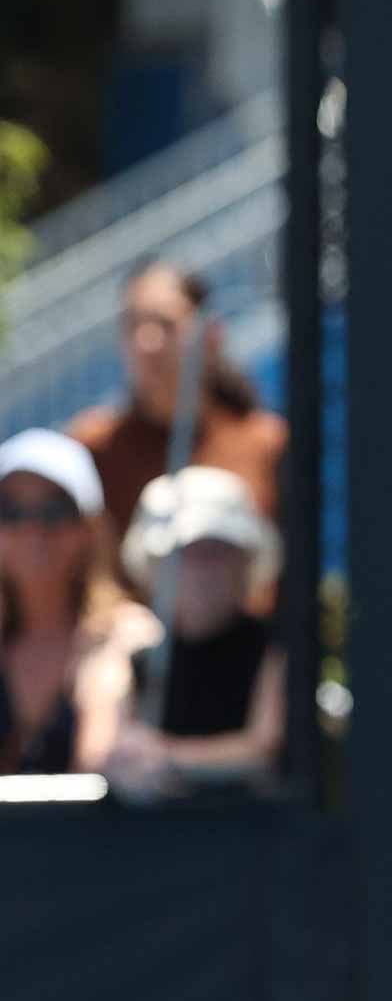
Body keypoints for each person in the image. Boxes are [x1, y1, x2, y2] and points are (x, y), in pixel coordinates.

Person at [68, 258, 287, 603]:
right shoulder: (90, 449)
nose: (147, 342)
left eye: (166, 324)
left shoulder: (267, 443)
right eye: (133, 324)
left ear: (212, 336)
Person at [102, 465, 286, 800]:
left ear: (246, 562)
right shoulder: (134, 653)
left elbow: (264, 748)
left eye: (216, 552)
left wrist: (166, 756)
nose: (202, 570)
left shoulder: (275, 648)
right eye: (184, 554)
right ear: (154, 566)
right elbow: (106, 748)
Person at [0, 429, 160, 775]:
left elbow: (97, 757)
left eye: (54, 511)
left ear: (90, 530)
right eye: (9, 511)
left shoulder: (128, 635)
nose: (33, 530)